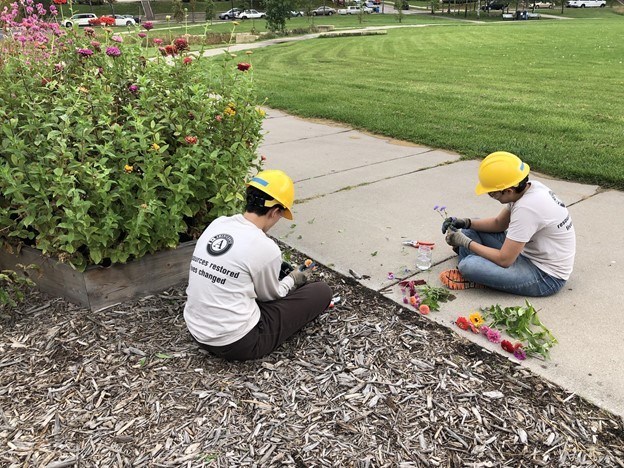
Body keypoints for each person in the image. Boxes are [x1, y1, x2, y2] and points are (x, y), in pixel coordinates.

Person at [184, 169, 332, 361]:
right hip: (238, 343)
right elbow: (271, 296)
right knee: (321, 291)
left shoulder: (218, 223)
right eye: (281, 215)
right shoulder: (265, 246)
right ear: (275, 211)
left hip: (197, 329)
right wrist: (293, 279)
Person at [439, 151, 575, 297]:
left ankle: (476, 274)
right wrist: (466, 222)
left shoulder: (527, 209)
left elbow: (504, 259)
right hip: (524, 254)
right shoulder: (531, 188)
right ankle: (483, 269)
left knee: (468, 266)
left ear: (508, 190)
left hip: (545, 277)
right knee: (469, 230)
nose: (491, 196)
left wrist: (465, 243)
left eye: (492, 193)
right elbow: (499, 224)